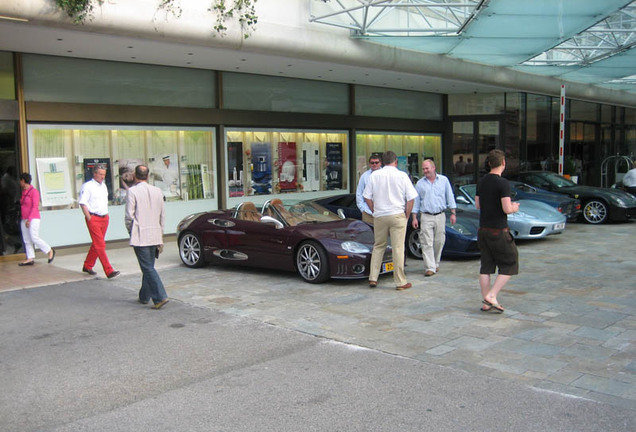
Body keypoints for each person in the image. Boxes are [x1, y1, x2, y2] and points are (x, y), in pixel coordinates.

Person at [363, 151, 418, 291]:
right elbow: (411, 198)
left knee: (378, 245)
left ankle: (373, 277)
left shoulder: (374, 175)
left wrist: (374, 209)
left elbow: (366, 197)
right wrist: (407, 214)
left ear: (382, 161)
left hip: (380, 215)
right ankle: (400, 282)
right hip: (397, 214)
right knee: (398, 248)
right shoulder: (402, 175)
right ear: (396, 161)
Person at [475, 149, 520, 313]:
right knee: (510, 262)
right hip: (498, 230)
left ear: (489, 163)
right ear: (503, 163)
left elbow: (478, 205)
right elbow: (506, 208)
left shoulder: (482, 181)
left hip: (483, 229)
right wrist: (514, 208)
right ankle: (492, 295)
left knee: (486, 266)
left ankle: (486, 302)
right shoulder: (503, 183)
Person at [125, 165, 169, 309]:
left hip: (141, 234)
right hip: (155, 233)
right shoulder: (157, 191)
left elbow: (129, 216)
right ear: (148, 176)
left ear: (134, 176)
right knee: (148, 266)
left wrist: (131, 232)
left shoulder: (132, 191)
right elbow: (162, 215)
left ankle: (160, 296)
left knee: (147, 268)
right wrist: (160, 234)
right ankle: (144, 296)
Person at [411, 159, 456, 276]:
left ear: (433, 168)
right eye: (423, 169)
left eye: (427, 168)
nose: (425, 171)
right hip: (426, 216)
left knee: (439, 241)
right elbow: (416, 201)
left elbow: (449, 196)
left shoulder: (444, 180)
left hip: (440, 215)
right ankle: (429, 267)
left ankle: (435, 263)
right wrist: (414, 217)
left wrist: (453, 212)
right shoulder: (420, 183)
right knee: (426, 242)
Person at [79, 164, 119, 278]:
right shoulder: (87, 186)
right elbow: (83, 203)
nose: (102, 177)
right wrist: (89, 217)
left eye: (104, 175)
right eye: (100, 174)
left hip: (104, 217)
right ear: (95, 174)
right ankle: (109, 270)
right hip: (94, 218)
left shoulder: (103, 186)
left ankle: (87, 265)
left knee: (97, 243)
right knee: (100, 244)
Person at [18, 172, 55, 266]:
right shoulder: (24, 192)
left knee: (34, 237)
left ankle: (49, 250)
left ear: (23, 180)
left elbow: (35, 206)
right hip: (24, 218)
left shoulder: (34, 192)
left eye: (20, 181)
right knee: (27, 239)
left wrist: (29, 220)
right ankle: (30, 258)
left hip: (33, 218)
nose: (19, 183)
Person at [356, 154, 382, 225]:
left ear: (380, 163)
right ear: (369, 164)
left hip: (383, 212)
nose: (374, 164)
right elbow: (359, 192)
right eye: (372, 163)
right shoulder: (364, 176)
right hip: (368, 213)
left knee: (383, 235)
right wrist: (362, 208)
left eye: (376, 162)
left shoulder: (385, 175)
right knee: (368, 234)